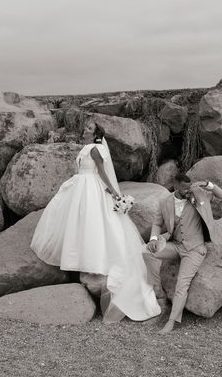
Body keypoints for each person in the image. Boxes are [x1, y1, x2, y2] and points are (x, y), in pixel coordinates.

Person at [31, 120, 161, 323]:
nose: (85, 129)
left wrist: (115, 193)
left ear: (96, 134)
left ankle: (92, 259)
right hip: (81, 185)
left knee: (91, 222)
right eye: (86, 127)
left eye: (89, 128)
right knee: (78, 220)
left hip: (91, 187)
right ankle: (79, 256)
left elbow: (102, 172)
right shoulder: (86, 147)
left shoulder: (95, 148)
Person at [143, 172, 222, 333]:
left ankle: (171, 321)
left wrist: (206, 183)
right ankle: (159, 293)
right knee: (146, 252)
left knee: (182, 283)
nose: (188, 191)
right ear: (175, 186)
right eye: (184, 189)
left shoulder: (199, 195)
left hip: (194, 249)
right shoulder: (165, 201)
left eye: (189, 187)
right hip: (175, 245)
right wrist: (153, 239)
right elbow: (157, 223)